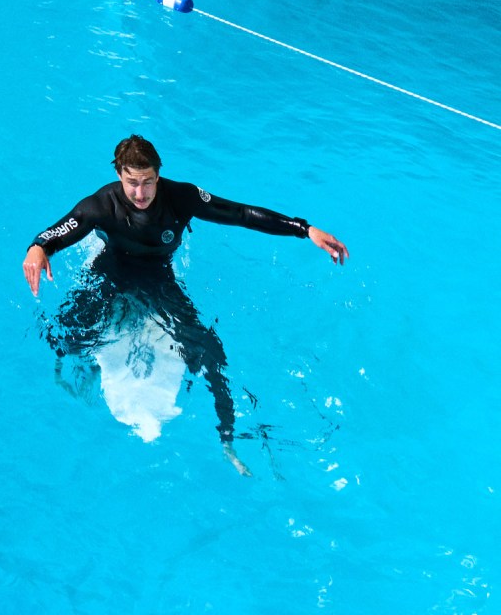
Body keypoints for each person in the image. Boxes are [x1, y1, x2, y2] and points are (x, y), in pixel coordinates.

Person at [23, 134, 348, 461]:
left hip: (159, 279)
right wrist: (38, 248)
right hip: (109, 273)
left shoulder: (182, 197)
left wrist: (303, 229)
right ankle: (83, 375)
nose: (140, 193)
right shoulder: (98, 206)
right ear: (119, 175)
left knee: (209, 349)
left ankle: (227, 437)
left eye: (148, 182)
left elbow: (240, 213)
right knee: (66, 337)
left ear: (159, 174)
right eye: (131, 183)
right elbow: (57, 232)